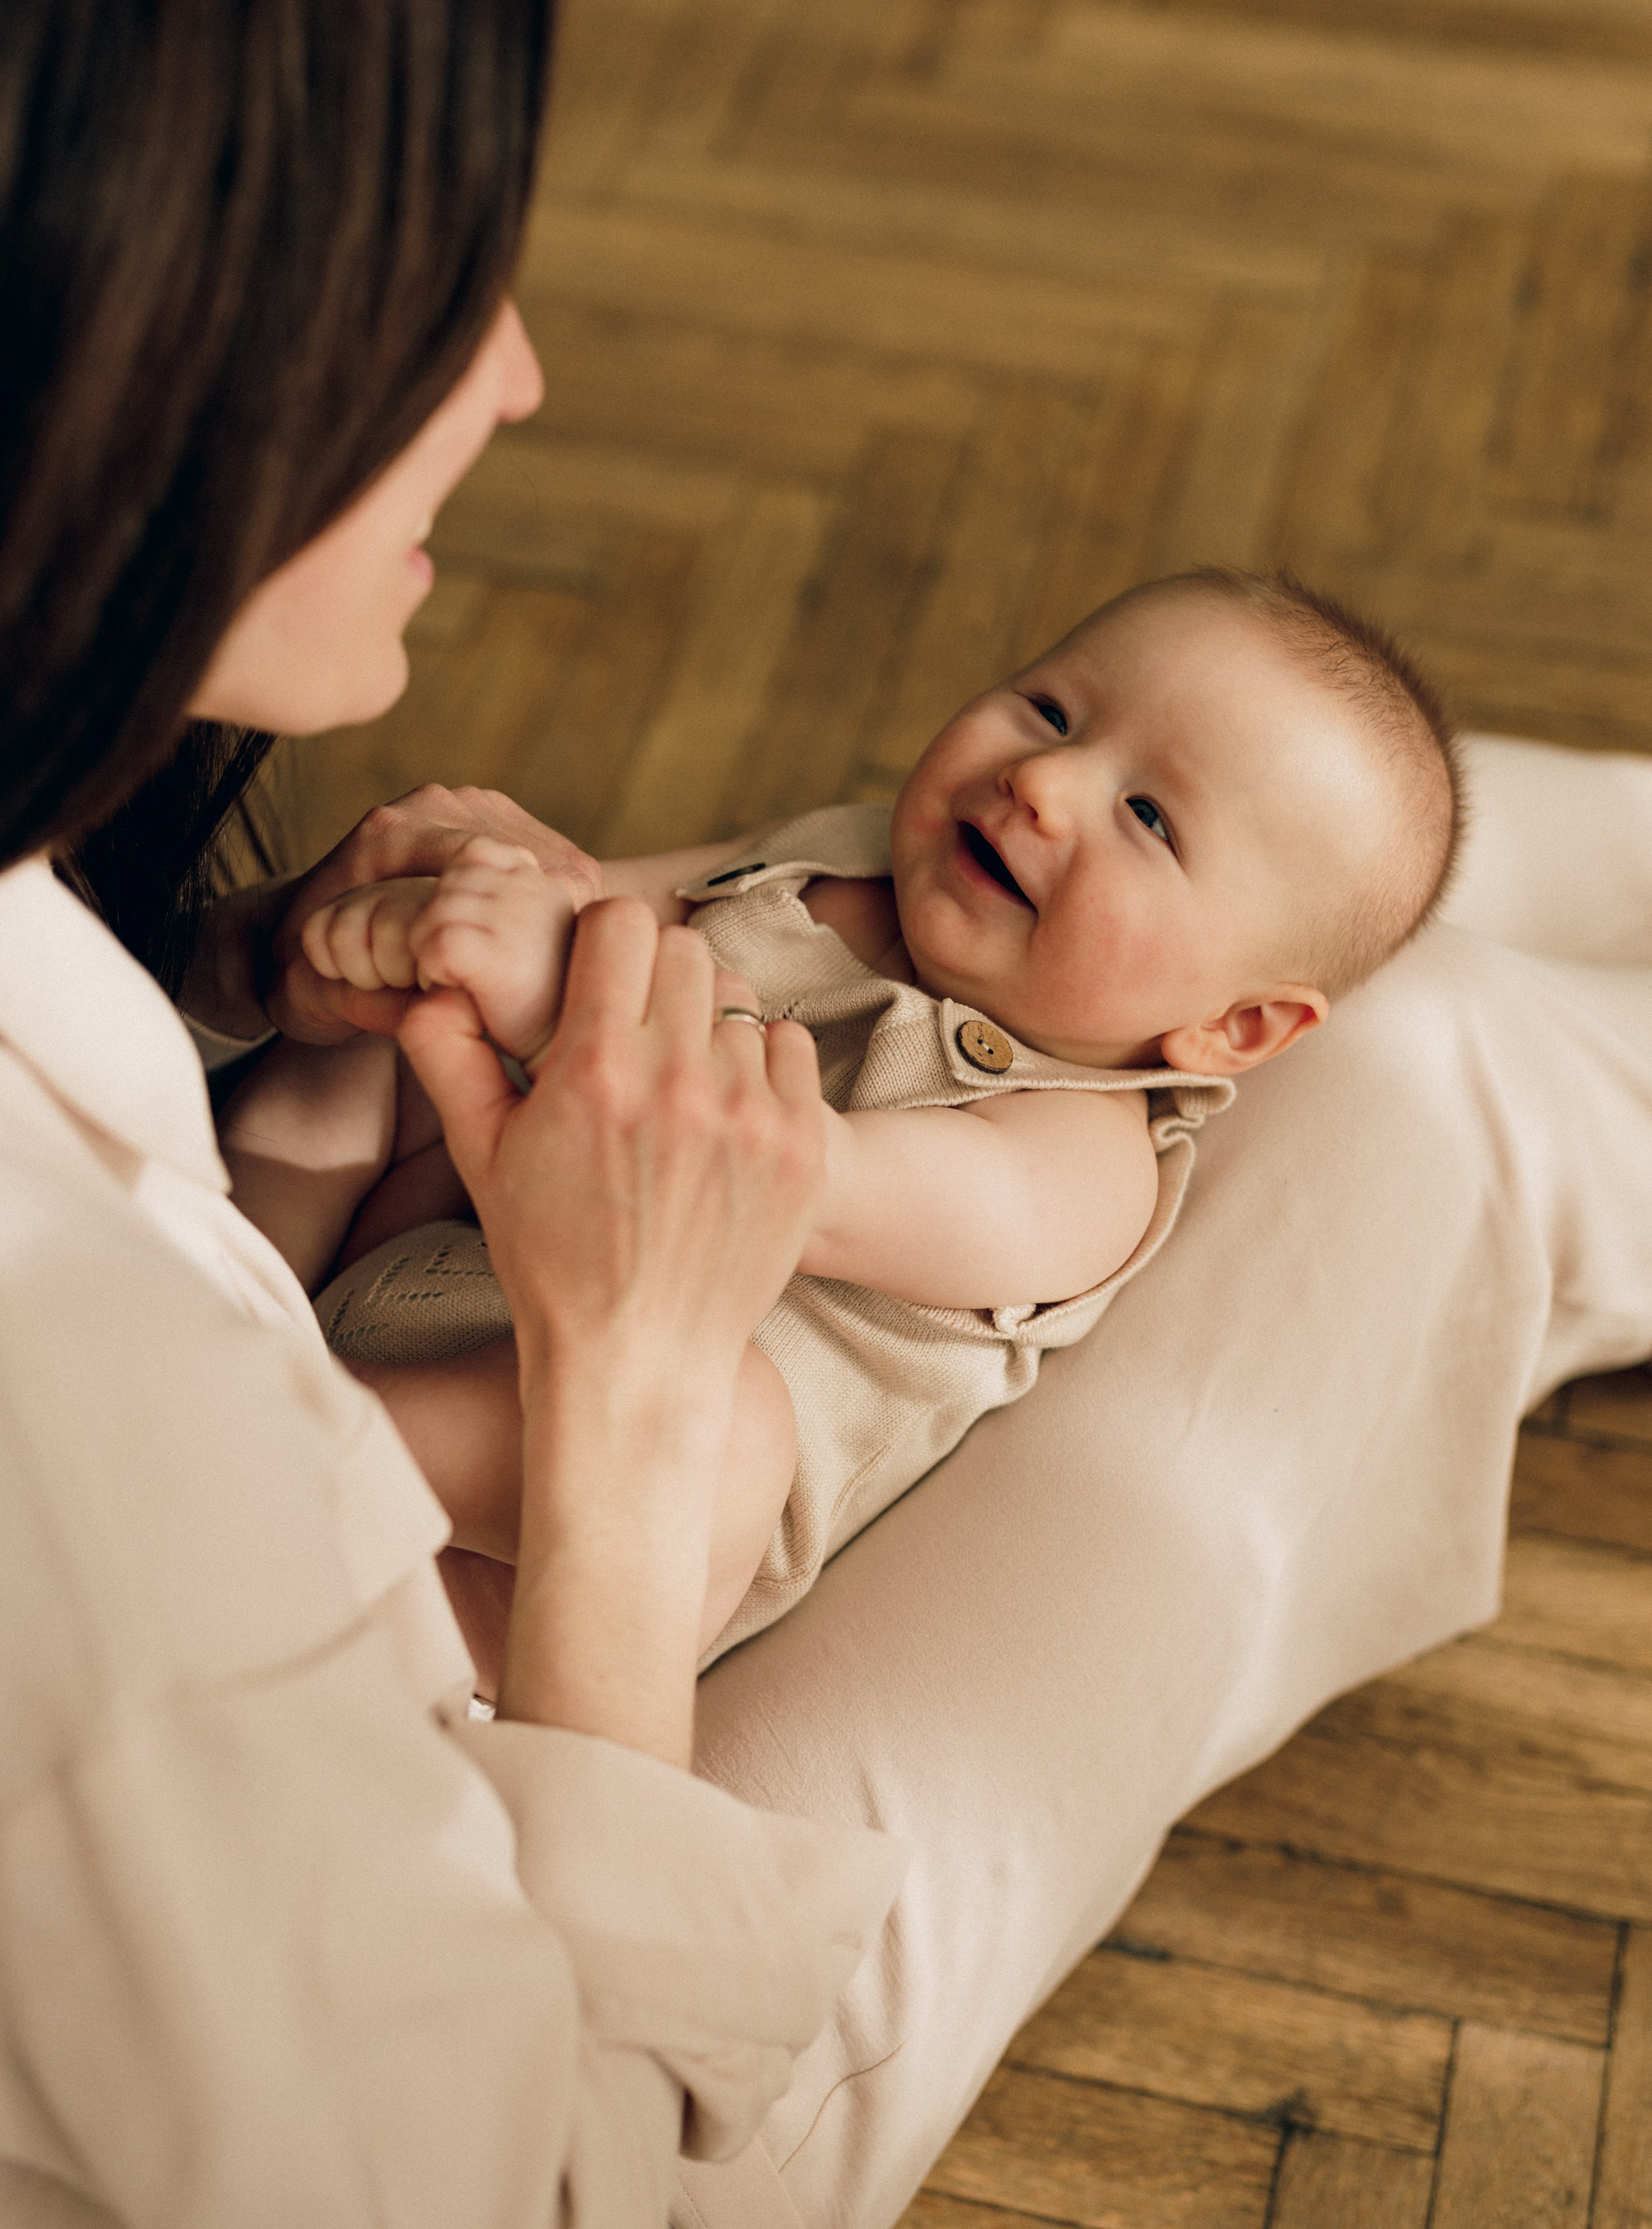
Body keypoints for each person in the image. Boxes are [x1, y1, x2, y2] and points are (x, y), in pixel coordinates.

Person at [6, 0, 1652, 2229]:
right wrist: (636, 1370)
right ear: (140, 312)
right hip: (564, 1989)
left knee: (1295, 878)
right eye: (432, 267)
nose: (528, 374)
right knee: (1422, 1085)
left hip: (469, 1373)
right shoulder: (106, 1504)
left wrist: (320, 963)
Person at [225, 570, 1463, 1665]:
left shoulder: (1082, 1161)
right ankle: (225, 1260)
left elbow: (777, 1171)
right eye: (1050, 709)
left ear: (1233, 1028)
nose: (1042, 783)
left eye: (1148, 818)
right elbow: (606, 905)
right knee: (386, 1004)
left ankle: (266, 1431)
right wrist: (485, 896)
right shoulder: (841, 853)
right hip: (432, 1238)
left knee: (736, 1436)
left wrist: (559, 999)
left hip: (536, 1524)